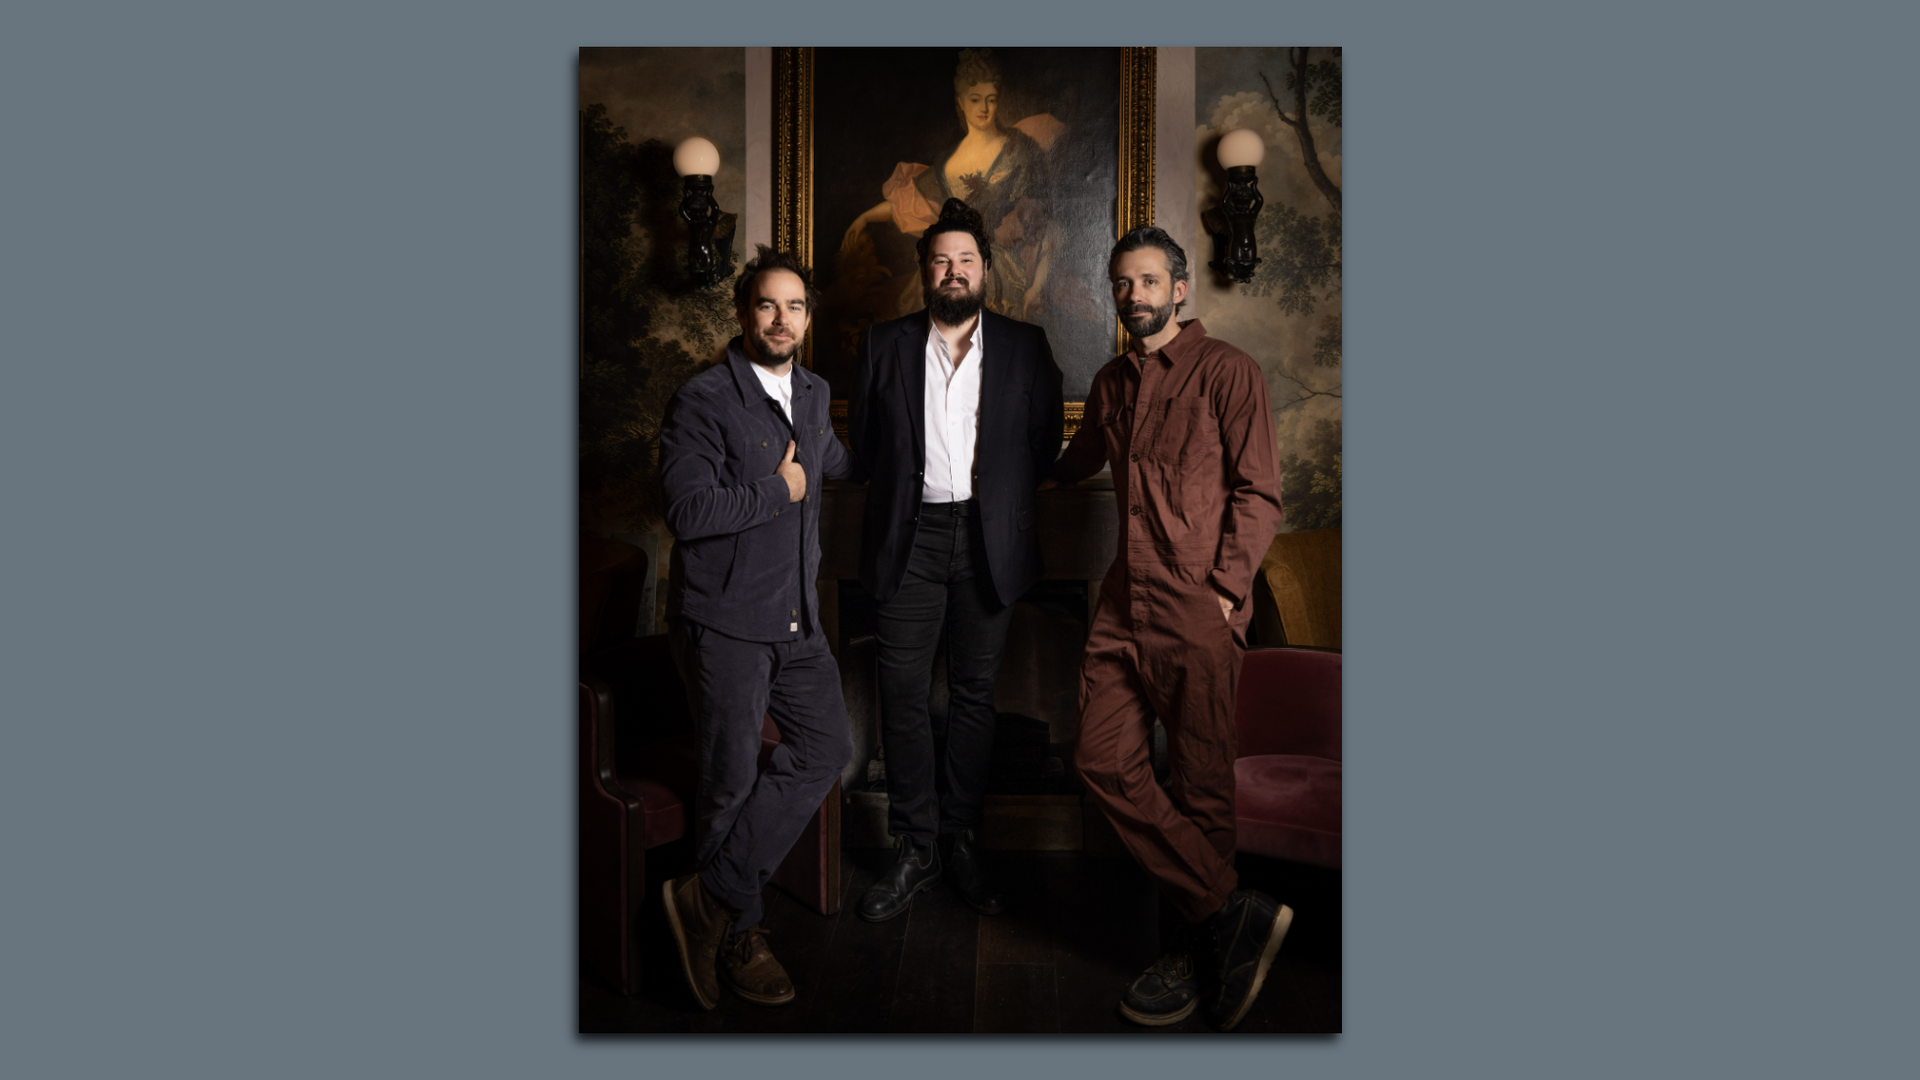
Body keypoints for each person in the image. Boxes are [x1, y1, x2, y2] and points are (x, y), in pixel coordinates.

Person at [1050, 226, 1288, 1031]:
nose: (1135, 296)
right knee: (1100, 757)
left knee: (1200, 788)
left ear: (1180, 289)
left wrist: (1224, 593)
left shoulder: (1229, 372)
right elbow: (1078, 458)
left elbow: (1259, 493)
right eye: (1122, 284)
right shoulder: (1111, 380)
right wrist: (997, 456)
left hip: (1197, 606)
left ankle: (1191, 957)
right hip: (1124, 606)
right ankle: (1230, 911)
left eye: (1149, 281)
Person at [848, 198, 1065, 922]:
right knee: (903, 696)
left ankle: (962, 836)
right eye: (940, 259)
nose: (953, 270)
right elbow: (871, 448)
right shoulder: (883, 344)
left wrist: (995, 506)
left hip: (988, 540)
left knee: (974, 697)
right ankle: (917, 846)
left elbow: (1040, 447)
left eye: (965, 259)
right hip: (906, 539)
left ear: (984, 269)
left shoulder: (1027, 345)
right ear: (924, 270)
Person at [656, 247, 855, 1010]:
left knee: (827, 747)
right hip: (726, 623)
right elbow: (689, 513)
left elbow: (833, 458)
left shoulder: (812, 390)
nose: (782, 319)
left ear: (809, 317)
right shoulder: (704, 399)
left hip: (796, 621)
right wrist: (779, 489)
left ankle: (706, 901)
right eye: (768, 305)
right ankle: (741, 933)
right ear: (744, 314)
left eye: (795, 306)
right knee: (730, 780)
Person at [838, 48, 1062, 324]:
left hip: (1004, 273)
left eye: (991, 99)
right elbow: (911, 201)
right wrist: (865, 217)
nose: (984, 108)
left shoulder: (1020, 148)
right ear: (961, 102)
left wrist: (1037, 286)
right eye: (975, 99)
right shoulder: (948, 162)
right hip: (954, 271)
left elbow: (1047, 225)